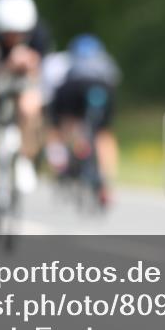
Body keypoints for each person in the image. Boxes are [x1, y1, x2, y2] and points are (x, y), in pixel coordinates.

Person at [0, 0, 54, 190]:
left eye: (19, 33)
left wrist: (30, 63)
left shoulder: (40, 34)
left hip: (25, 80)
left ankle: (25, 157)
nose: (14, 38)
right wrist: (7, 65)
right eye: (8, 34)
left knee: (29, 107)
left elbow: (41, 70)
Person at [44, 34, 121, 206]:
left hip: (74, 87)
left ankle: (63, 159)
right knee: (103, 133)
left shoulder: (68, 61)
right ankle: (106, 182)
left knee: (66, 121)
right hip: (103, 88)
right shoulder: (106, 61)